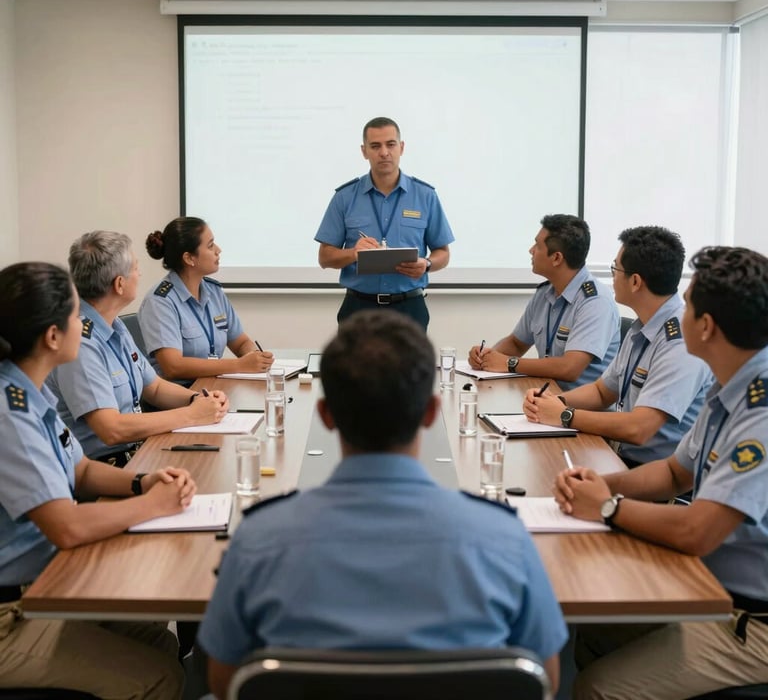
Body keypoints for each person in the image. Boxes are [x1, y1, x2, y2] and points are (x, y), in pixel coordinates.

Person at [198, 310, 567, 699]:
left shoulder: (259, 538)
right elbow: (546, 679)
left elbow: (225, 682)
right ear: (431, 413)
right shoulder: (503, 537)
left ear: (326, 416)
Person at [553, 246, 768, 700]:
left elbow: (697, 530)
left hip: (751, 623)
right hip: (708, 587)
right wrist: (597, 486)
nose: (678, 309)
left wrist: (608, 507)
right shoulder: (730, 387)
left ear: (706, 327)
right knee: (591, 628)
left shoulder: (759, 412)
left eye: (687, 304)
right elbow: (673, 474)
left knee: (598, 688)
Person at [0, 261, 194, 698]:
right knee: (158, 677)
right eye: (74, 316)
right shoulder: (8, 413)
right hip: (12, 615)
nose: (81, 322)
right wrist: (153, 505)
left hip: (44, 582)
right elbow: (66, 527)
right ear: (52, 337)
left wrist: (140, 484)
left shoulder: (31, 388)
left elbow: (81, 469)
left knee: (158, 640)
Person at [523, 226, 711, 467]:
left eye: (615, 269)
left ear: (635, 282)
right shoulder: (642, 327)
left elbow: (638, 429)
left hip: (656, 477)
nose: (612, 277)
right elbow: (602, 392)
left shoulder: (680, 342)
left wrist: (563, 414)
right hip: (618, 456)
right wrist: (553, 401)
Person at [47, 231, 229, 465]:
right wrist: (191, 415)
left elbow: (153, 388)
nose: (140, 273)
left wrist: (199, 399)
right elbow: (111, 429)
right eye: (135, 268)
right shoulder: (81, 342)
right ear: (119, 284)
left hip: (140, 450)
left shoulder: (115, 325)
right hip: (106, 465)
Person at [314, 116, 455, 330]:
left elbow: (443, 253)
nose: (384, 152)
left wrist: (426, 265)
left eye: (390, 144)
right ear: (364, 151)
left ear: (401, 147)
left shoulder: (425, 196)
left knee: (411, 366)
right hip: (359, 308)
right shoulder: (345, 197)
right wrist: (353, 253)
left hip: (409, 308)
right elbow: (324, 257)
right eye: (375, 146)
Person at [469, 214, 620, 391]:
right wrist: (486, 358)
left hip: (582, 410)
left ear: (556, 258)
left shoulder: (595, 302)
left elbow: (569, 369)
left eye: (538, 246)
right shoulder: (545, 292)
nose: (531, 250)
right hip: (545, 397)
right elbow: (516, 343)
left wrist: (508, 363)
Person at [139, 216, 274, 385]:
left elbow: (241, 343)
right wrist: (239, 365)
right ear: (189, 258)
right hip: (179, 398)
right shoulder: (160, 302)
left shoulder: (214, 291)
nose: (219, 250)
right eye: (210, 246)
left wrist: (254, 356)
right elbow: (173, 366)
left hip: (213, 389)